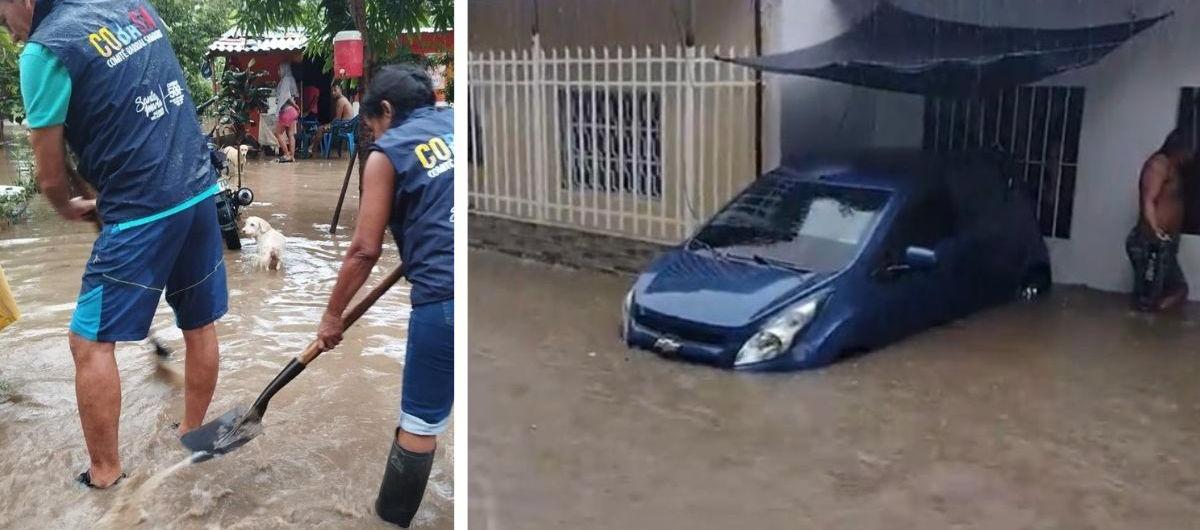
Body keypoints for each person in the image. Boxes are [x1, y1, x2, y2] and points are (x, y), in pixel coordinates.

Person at [1, 0, 227, 489]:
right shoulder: (131, 5)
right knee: (198, 320)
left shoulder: (46, 50)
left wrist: (65, 205)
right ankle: (193, 431)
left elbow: (48, 173)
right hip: (198, 187)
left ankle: (105, 474)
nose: (12, 33)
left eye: (4, 19)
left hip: (141, 209)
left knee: (87, 341)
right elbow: (127, 107)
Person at [314, 64, 453, 528]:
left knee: (420, 425)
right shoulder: (458, 123)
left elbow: (363, 250)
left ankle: (388, 522)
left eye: (371, 124)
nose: (372, 134)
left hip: (445, 300)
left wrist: (332, 316)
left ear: (386, 112)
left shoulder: (387, 151)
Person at [1127, 128, 1195, 312]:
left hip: (1164, 244)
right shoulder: (1159, 165)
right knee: (1147, 299)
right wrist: (1156, 232)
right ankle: (1142, 333)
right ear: (1180, 149)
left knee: (1179, 289)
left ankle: (1152, 329)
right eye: (1190, 150)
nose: (1192, 155)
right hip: (1152, 245)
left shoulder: (1174, 169)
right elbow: (1148, 200)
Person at [274, 63, 300, 163]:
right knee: (291, 135)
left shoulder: (285, 80)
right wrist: (295, 107)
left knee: (278, 133)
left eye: (279, 69)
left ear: (284, 69)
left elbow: (287, 97)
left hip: (286, 111)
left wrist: (294, 105)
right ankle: (292, 157)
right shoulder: (291, 79)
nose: (278, 72)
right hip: (293, 112)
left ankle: (286, 154)